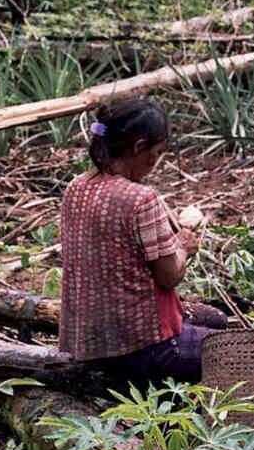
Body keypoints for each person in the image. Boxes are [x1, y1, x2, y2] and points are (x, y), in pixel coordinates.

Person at [59, 98, 223, 386]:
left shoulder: (76, 187)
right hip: (142, 347)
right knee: (236, 350)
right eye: (156, 153)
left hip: (88, 341)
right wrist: (183, 246)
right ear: (138, 147)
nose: (155, 163)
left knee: (216, 318)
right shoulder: (141, 199)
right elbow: (169, 276)